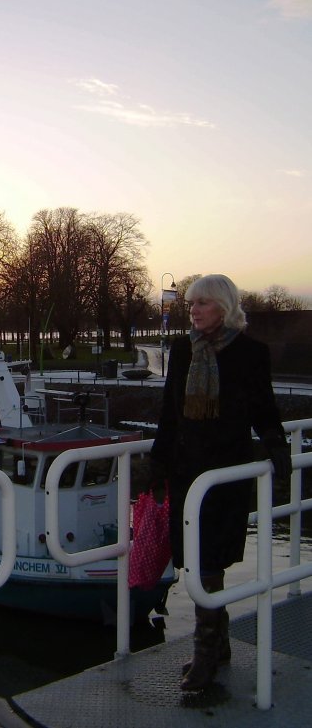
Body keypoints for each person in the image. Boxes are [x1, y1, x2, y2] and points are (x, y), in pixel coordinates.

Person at [150, 273, 291, 692]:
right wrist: (157, 463)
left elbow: (262, 406)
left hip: (225, 474)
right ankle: (219, 644)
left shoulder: (249, 353)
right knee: (195, 562)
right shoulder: (181, 350)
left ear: (224, 308)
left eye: (202, 304)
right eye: (191, 303)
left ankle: (205, 656)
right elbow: (170, 413)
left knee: (210, 562)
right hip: (186, 470)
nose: (192, 310)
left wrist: (276, 444)